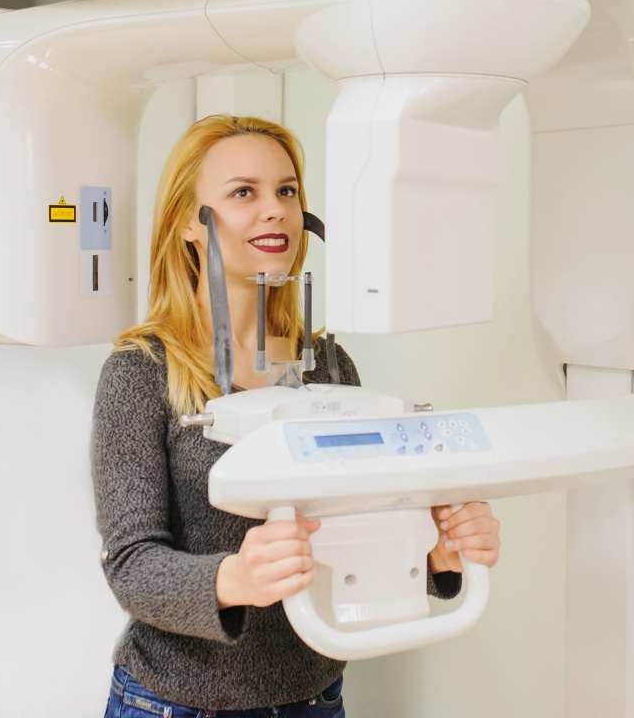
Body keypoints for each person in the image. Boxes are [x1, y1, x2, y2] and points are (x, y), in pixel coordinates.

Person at [92, 114, 501, 718]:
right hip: (175, 703)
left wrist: (435, 552)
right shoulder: (144, 371)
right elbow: (132, 565)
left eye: (287, 191)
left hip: (314, 698)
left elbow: (362, 536)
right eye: (243, 193)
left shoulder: (331, 367)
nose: (275, 210)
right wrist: (235, 579)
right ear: (188, 223)